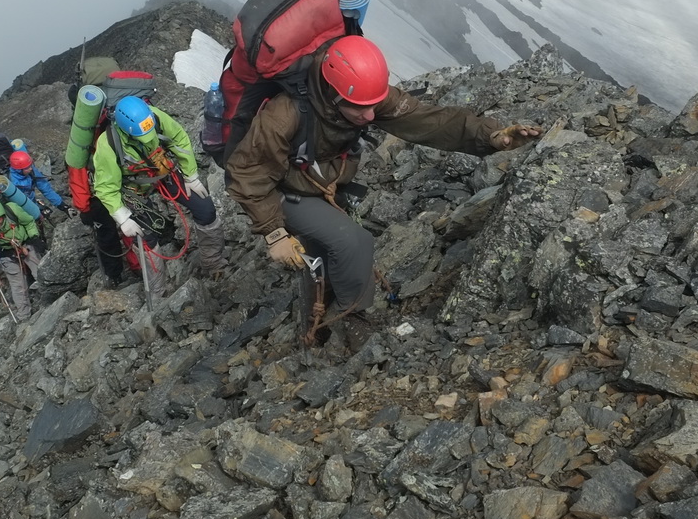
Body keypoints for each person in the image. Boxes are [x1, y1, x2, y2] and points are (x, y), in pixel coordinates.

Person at [225, 34, 539, 326]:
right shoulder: (284, 115)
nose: (371, 116)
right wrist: (274, 233)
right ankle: (344, 319)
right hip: (279, 187)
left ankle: (318, 312)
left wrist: (491, 136)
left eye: (375, 105)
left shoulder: (362, 95)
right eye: (360, 110)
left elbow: (430, 121)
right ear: (333, 96)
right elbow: (248, 173)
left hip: (321, 178)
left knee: (323, 249)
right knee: (353, 242)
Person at [87, 94, 225, 288]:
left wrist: (190, 176)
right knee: (145, 238)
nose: (148, 137)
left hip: (161, 169)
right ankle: (158, 290)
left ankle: (213, 263)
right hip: (132, 189)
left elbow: (179, 139)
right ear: (126, 131)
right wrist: (123, 217)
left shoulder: (156, 117)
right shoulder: (107, 145)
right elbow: (105, 187)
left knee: (205, 209)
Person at [0, 193, 44, 321]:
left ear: (2, 214)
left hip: (25, 245)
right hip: (7, 254)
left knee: (39, 271)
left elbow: (29, 222)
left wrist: (34, 236)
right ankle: (24, 316)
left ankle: (50, 296)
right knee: (18, 285)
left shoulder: (12, 209)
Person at [6, 145, 70, 216]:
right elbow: (21, 203)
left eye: (30, 165)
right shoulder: (12, 183)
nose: (31, 168)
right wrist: (37, 209)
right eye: (27, 167)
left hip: (30, 201)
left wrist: (62, 205)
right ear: (18, 170)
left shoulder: (30, 171)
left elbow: (45, 188)